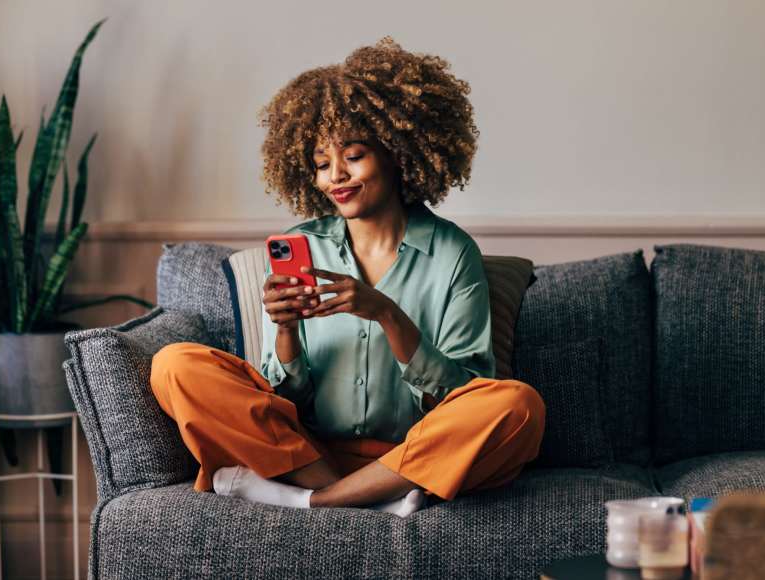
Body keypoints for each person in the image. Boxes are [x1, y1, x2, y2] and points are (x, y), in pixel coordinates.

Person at [149, 37, 545, 517]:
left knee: (517, 405)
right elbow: (280, 401)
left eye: (353, 156)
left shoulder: (452, 253)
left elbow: (465, 393)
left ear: (397, 154)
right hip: (308, 452)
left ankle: (319, 501)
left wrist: (385, 313)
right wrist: (286, 330)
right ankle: (367, 499)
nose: (335, 176)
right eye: (321, 164)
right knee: (174, 365)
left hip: (412, 455)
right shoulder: (303, 247)